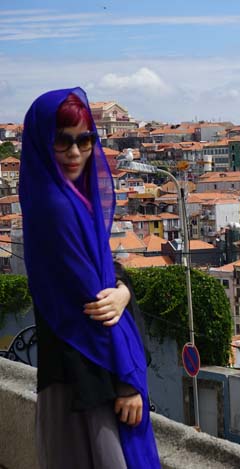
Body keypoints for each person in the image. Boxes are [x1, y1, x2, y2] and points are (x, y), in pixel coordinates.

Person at [20, 88, 160, 468]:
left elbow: (104, 276)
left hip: (76, 377)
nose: (75, 153)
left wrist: (123, 291)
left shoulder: (60, 198)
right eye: (62, 141)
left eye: (84, 140)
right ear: (42, 142)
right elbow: (94, 306)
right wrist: (129, 379)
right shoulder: (58, 208)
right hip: (88, 383)